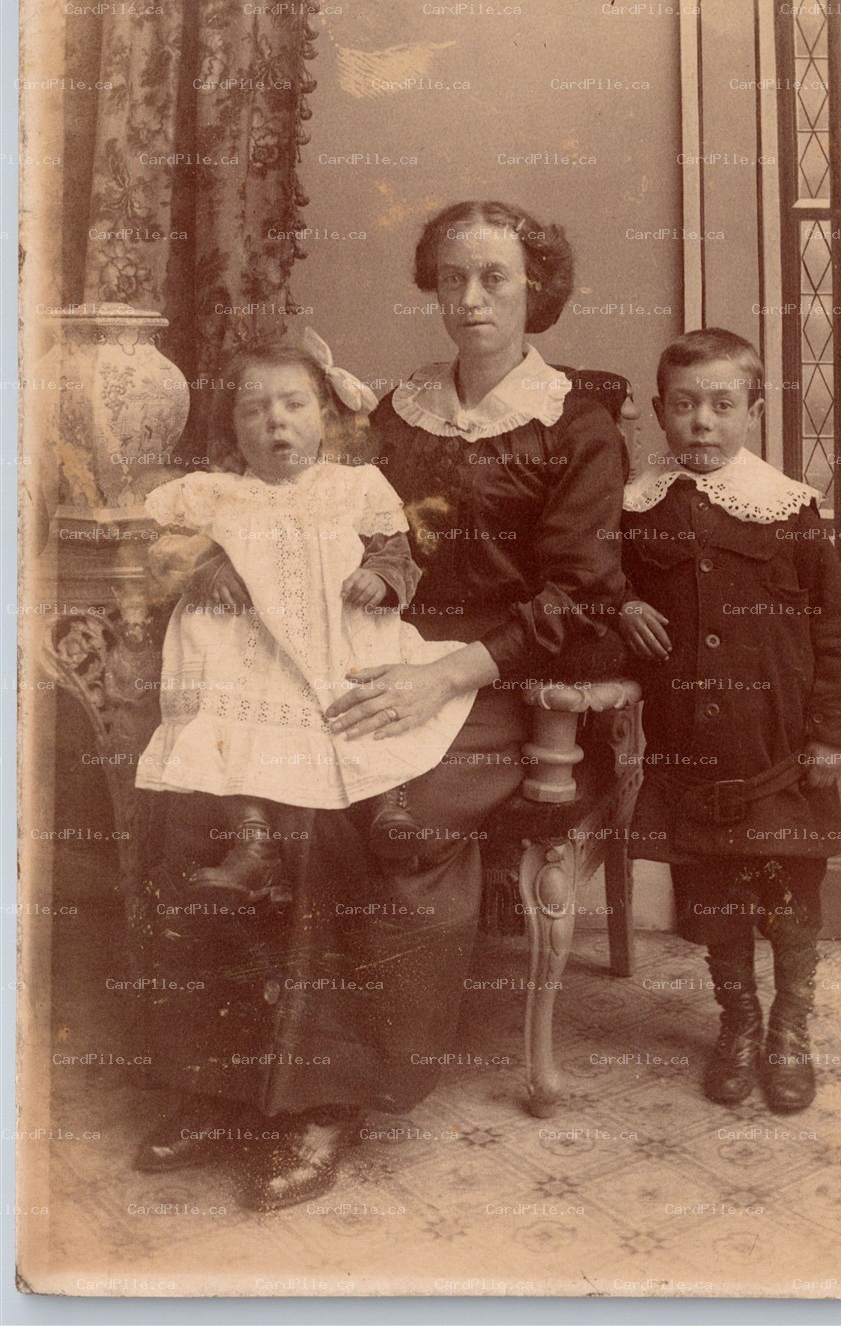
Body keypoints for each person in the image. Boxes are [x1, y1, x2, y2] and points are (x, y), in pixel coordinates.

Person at [131, 202, 628, 1211]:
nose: (471, 298)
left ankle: (323, 1100)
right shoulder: (396, 414)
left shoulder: (577, 423)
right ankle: (223, 1084)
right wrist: (228, 561)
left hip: (505, 682)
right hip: (357, 652)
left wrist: (448, 673)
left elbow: (580, 596)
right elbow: (302, 504)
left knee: (385, 824)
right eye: (452, 277)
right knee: (229, 796)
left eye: (495, 277)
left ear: (539, 287)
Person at [618, 328, 841, 1113]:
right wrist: (619, 604)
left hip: (782, 752)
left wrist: (827, 736)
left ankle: (791, 1026)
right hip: (691, 754)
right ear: (660, 411)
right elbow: (592, 595)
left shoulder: (789, 509)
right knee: (715, 897)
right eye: (685, 405)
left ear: (753, 411)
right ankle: (739, 1023)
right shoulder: (636, 509)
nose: (702, 423)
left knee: (791, 898)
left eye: (723, 406)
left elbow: (839, 634)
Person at [135, 332, 476, 899]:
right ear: (233, 429)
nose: (276, 423)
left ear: (326, 419)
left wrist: (383, 578)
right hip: (252, 645)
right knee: (227, 712)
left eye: (294, 405)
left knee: (366, 699)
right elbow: (166, 550)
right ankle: (253, 840)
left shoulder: (354, 487)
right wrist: (210, 569)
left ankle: (387, 806)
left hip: (341, 636)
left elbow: (399, 554)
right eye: (254, 410)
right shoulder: (217, 493)